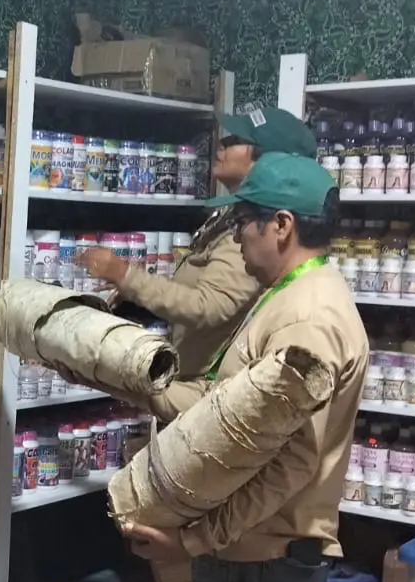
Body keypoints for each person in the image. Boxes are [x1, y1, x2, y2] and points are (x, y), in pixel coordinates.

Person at [124, 153, 366, 582]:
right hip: (259, 555)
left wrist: (190, 541)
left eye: (243, 223)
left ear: (281, 225)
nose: (236, 238)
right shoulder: (294, 292)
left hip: (257, 561)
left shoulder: (306, 320)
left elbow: (289, 463)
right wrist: (147, 387)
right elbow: (232, 408)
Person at [76, 105, 318, 420]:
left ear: (266, 162)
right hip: (192, 384)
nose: (221, 144)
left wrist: (125, 276)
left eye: (235, 140)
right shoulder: (229, 216)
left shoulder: (254, 233)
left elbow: (209, 306)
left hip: (206, 393)